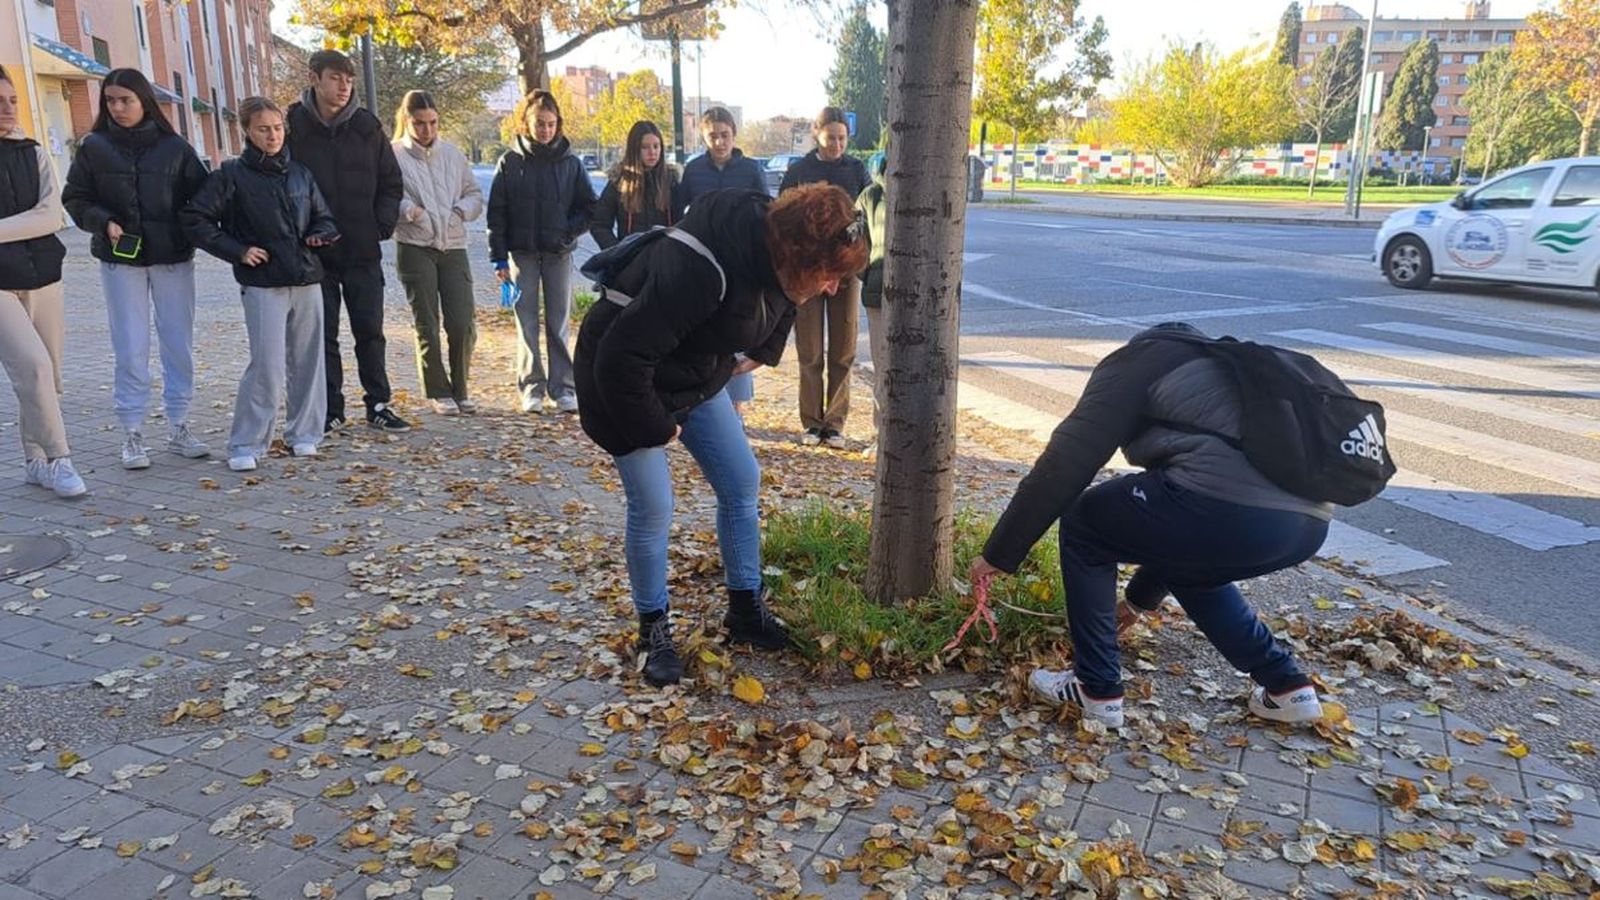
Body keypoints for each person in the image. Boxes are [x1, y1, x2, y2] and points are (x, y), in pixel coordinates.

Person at [573, 183, 869, 687]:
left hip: (693, 371)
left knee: (740, 480)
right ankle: (654, 628)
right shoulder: (700, 269)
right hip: (621, 380)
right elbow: (621, 360)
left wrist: (765, 349)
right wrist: (660, 428)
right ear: (800, 256)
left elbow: (782, 303)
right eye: (829, 276)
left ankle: (745, 611)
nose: (834, 289)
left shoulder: (779, 250)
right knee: (654, 504)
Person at [969, 322, 1332, 730]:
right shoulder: (1225, 372)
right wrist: (1139, 601)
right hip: (1308, 526)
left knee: (1085, 520)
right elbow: (1172, 537)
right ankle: (1288, 687)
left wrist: (1000, 552)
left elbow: (1068, 460)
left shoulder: (1137, 362)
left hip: (1229, 508)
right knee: (1194, 563)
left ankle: (1096, 687)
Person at [61, 68, 211, 469]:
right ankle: (132, 432)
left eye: (125, 99)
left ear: (144, 100)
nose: (117, 107)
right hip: (120, 258)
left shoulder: (175, 147)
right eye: (110, 100)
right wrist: (102, 221)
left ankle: (179, 424)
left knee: (177, 342)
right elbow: (75, 198)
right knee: (130, 345)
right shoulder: (94, 146)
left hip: (172, 258)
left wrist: (193, 232)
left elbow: (202, 198)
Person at [182, 97, 339, 474]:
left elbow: (325, 218)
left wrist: (321, 235)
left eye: (277, 127)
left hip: (306, 278)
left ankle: (305, 434)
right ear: (247, 132)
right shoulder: (230, 175)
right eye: (263, 129)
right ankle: (247, 442)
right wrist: (237, 250)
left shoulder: (301, 173)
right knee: (266, 365)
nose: (272, 135)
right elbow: (195, 218)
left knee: (308, 361)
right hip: (263, 283)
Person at [285, 49, 408, 434]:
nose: (344, 87)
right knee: (322, 336)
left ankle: (379, 404)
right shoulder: (292, 127)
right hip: (314, 253)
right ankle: (330, 409)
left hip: (361, 249)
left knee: (370, 332)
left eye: (349, 79)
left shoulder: (367, 127)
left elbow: (391, 183)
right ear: (314, 78)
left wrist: (380, 227)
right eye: (336, 78)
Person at [0, 66, 83, 498]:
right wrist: (24, 224)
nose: (8, 109)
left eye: (12, 100)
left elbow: (52, 215)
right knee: (32, 366)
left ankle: (34, 461)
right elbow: (37, 219)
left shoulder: (32, 152)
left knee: (47, 379)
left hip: (44, 274)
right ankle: (60, 457)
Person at [486, 89, 595, 415]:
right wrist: (497, 256)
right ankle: (531, 386)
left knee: (559, 321)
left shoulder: (571, 164)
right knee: (527, 322)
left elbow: (589, 207)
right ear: (526, 123)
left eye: (550, 124)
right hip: (522, 256)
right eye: (539, 124)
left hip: (558, 254)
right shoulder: (510, 162)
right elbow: (497, 213)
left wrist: (568, 233)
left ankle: (563, 387)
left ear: (557, 125)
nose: (545, 130)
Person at [780, 107, 870, 449]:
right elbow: (784, 218)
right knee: (810, 349)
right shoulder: (799, 170)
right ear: (817, 134)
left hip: (845, 271)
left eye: (842, 139)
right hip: (808, 271)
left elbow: (867, 215)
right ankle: (811, 423)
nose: (836, 145)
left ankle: (835, 423)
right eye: (830, 137)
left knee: (843, 350)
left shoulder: (857, 170)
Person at [390, 90, 483, 417]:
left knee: (462, 322)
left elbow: (474, 194)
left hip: (453, 244)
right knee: (426, 323)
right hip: (416, 245)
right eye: (419, 123)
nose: (427, 130)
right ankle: (438, 390)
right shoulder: (394, 156)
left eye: (432, 122)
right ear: (407, 121)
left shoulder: (454, 155)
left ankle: (461, 387)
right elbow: (387, 196)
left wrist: (461, 211)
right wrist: (410, 211)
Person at [679, 107, 767, 417]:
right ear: (704, 137)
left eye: (724, 135)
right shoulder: (693, 171)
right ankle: (705, 392)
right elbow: (681, 214)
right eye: (713, 136)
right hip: (703, 261)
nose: (719, 142)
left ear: (734, 133)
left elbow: (764, 213)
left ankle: (737, 402)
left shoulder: (751, 170)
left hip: (740, 262)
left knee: (740, 326)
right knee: (706, 326)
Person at [588, 120, 682, 250]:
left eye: (656, 146)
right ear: (635, 149)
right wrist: (617, 251)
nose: (652, 152)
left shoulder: (672, 180)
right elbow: (599, 224)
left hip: (665, 258)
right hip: (631, 261)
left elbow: (682, 223)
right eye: (645, 147)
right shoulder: (619, 181)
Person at [854, 150, 887, 434]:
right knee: (882, 368)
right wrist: (866, 273)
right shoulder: (870, 196)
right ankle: (882, 435)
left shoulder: (924, 186)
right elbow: (855, 243)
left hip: (921, 297)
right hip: (878, 293)